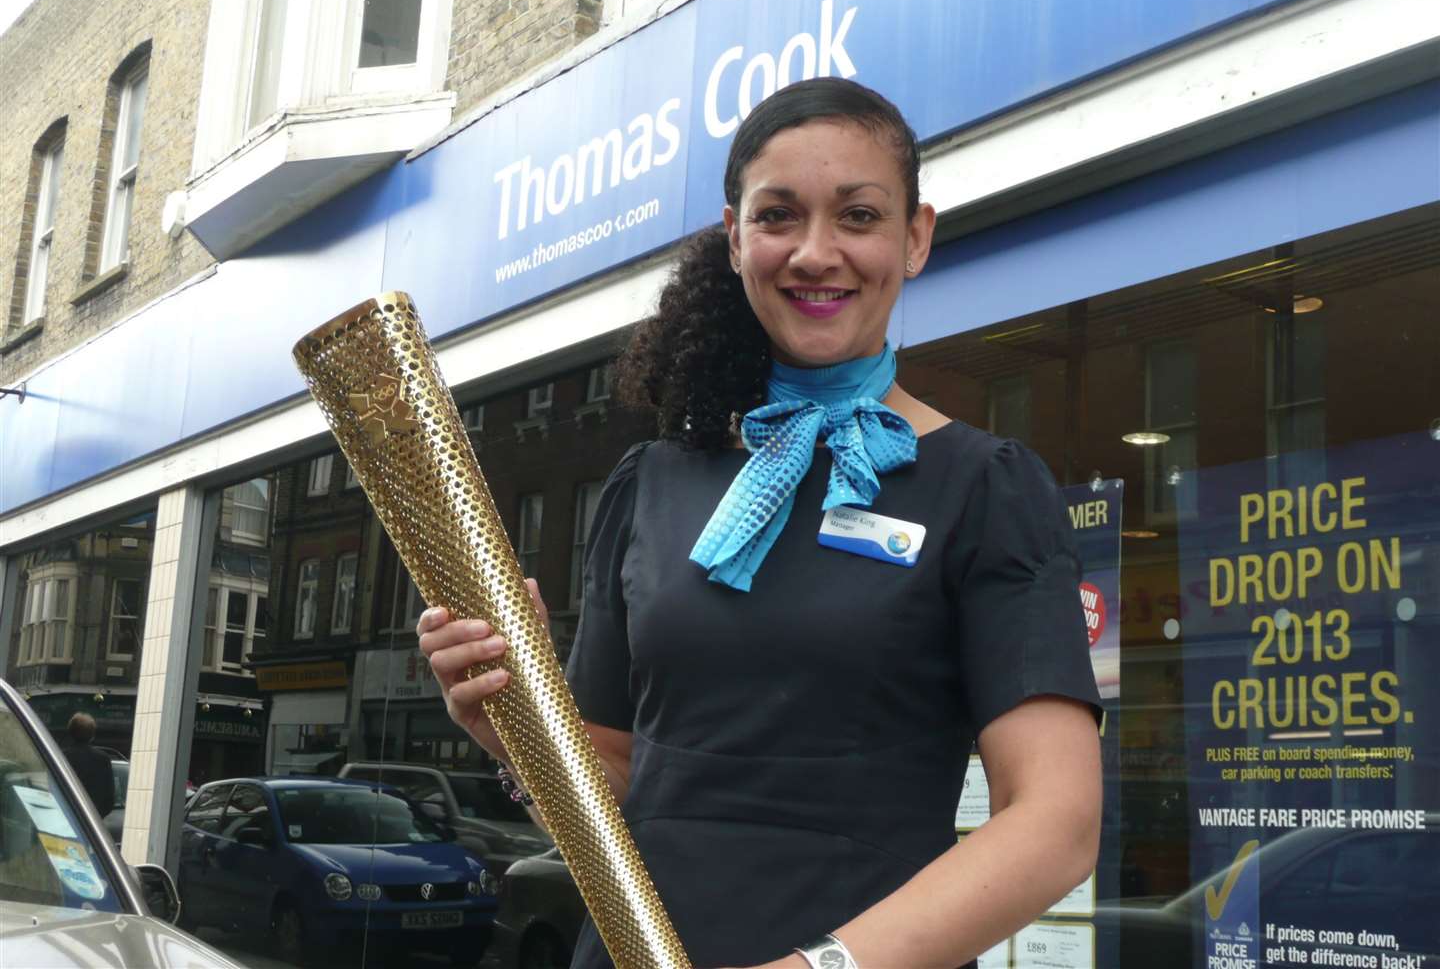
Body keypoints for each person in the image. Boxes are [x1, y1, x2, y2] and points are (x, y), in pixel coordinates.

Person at [419, 77, 1102, 969]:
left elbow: (1056, 823)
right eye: (779, 216)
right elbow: (621, 788)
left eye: (858, 216)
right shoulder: (649, 483)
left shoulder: (985, 489)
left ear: (917, 236)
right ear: (736, 237)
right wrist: (510, 724)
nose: (817, 253)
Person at [60, 712, 115, 818]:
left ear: (70, 732)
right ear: (92, 735)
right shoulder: (103, 759)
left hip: (68, 816)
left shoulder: (61, 757)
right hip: (93, 818)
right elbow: (109, 797)